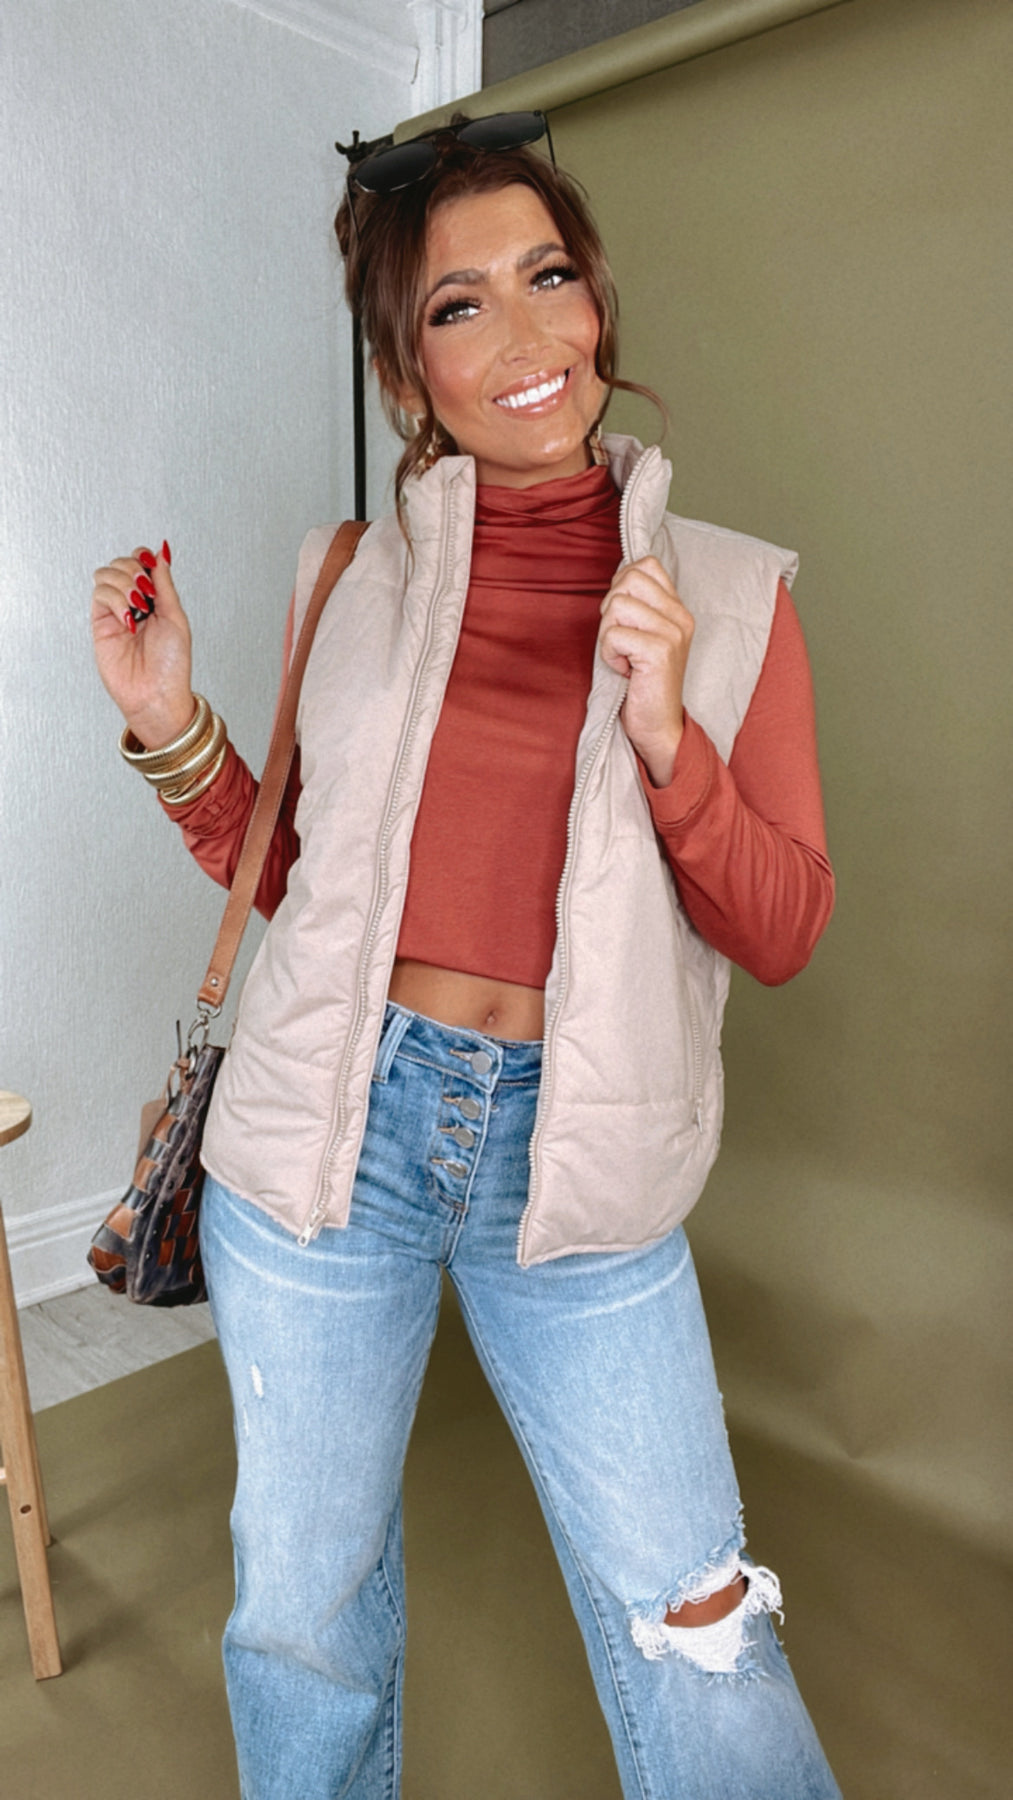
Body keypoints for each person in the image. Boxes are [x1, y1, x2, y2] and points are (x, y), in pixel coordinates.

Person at [91, 114, 840, 1800]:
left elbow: (782, 926)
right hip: (324, 1131)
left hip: (583, 1149)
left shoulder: (730, 598)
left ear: (597, 304)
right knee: (303, 1610)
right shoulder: (346, 574)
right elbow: (297, 877)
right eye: (458, 305)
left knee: (698, 1620)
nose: (521, 334)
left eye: (547, 277)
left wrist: (668, 738)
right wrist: (168, 722)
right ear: (404, 371)